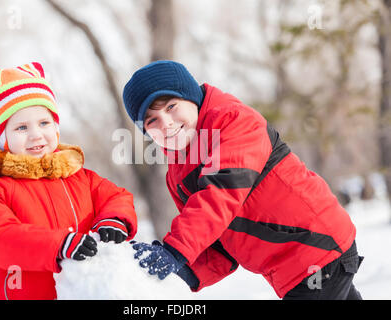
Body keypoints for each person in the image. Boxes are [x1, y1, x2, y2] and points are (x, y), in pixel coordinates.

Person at [123, 60, 363, 300]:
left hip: (316, 248)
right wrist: (184, 269)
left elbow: (221, 193)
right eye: (151, 120)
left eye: (171, 106)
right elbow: (216, 239)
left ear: (192, 98)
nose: (166, 124)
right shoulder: (178, 173)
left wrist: (175, 250)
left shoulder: (233, 121)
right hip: (290, 266)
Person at [0, 62, 137, 300]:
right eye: (21, 127)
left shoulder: (78, 176)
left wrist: (114, 219)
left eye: (44, 123)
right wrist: (59, 245)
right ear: (2, 139)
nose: (36, 134)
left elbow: (116, 197)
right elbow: (1, 237)